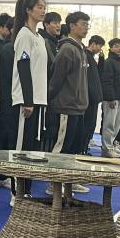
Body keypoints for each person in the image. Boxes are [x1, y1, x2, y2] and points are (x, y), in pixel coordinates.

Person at [11, 0, 49, 199]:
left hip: (38, 100)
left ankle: (26, 191)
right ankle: (16, 192)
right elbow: (23, 67)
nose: (43, 10)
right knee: (21, 148)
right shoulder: (24, 35)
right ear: (28, 10)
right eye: (39, 7)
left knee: (31, 149)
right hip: (26, 101)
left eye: (44, 7)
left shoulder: (39, 37)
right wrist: (28, 100)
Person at [46, 12, 89, 159]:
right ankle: (54, 175)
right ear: (72, 26)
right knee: (61, 150)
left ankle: (68, 176)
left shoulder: (81, 50)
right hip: (66, 108)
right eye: (83, 24)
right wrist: (50, 99)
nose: (86, 28)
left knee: (73, 151)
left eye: (87, 25)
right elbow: (56, 80)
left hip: (79, 108)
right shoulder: (67, 49)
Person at [0, 13, 16, 190]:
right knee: (3, 136)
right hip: (5, 97)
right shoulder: (5, 49)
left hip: (10, 98)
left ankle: (4, 172)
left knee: (8, 136)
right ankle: (1, 174)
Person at [100, 38, 120, 158]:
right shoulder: (109, 62)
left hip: (119, 98)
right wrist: (110, 98)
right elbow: (107, 81)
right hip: (111, 99)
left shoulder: (119, 62)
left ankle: (111, 145)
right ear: (110, 48)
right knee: (109, 124)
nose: (119, 48)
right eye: (116, 46)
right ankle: (106, 148)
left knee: (116, 124)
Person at [83, 35, 105, 155]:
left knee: (91, 124)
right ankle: (82, 149)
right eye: (99, 46)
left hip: (94, 98)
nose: (100, 49)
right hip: (89, 98)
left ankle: (85, 147)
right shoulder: (85, 56)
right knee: (86, 125)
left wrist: (101, 60)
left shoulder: (92, 58)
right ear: (93, 44)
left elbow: (98, 75)